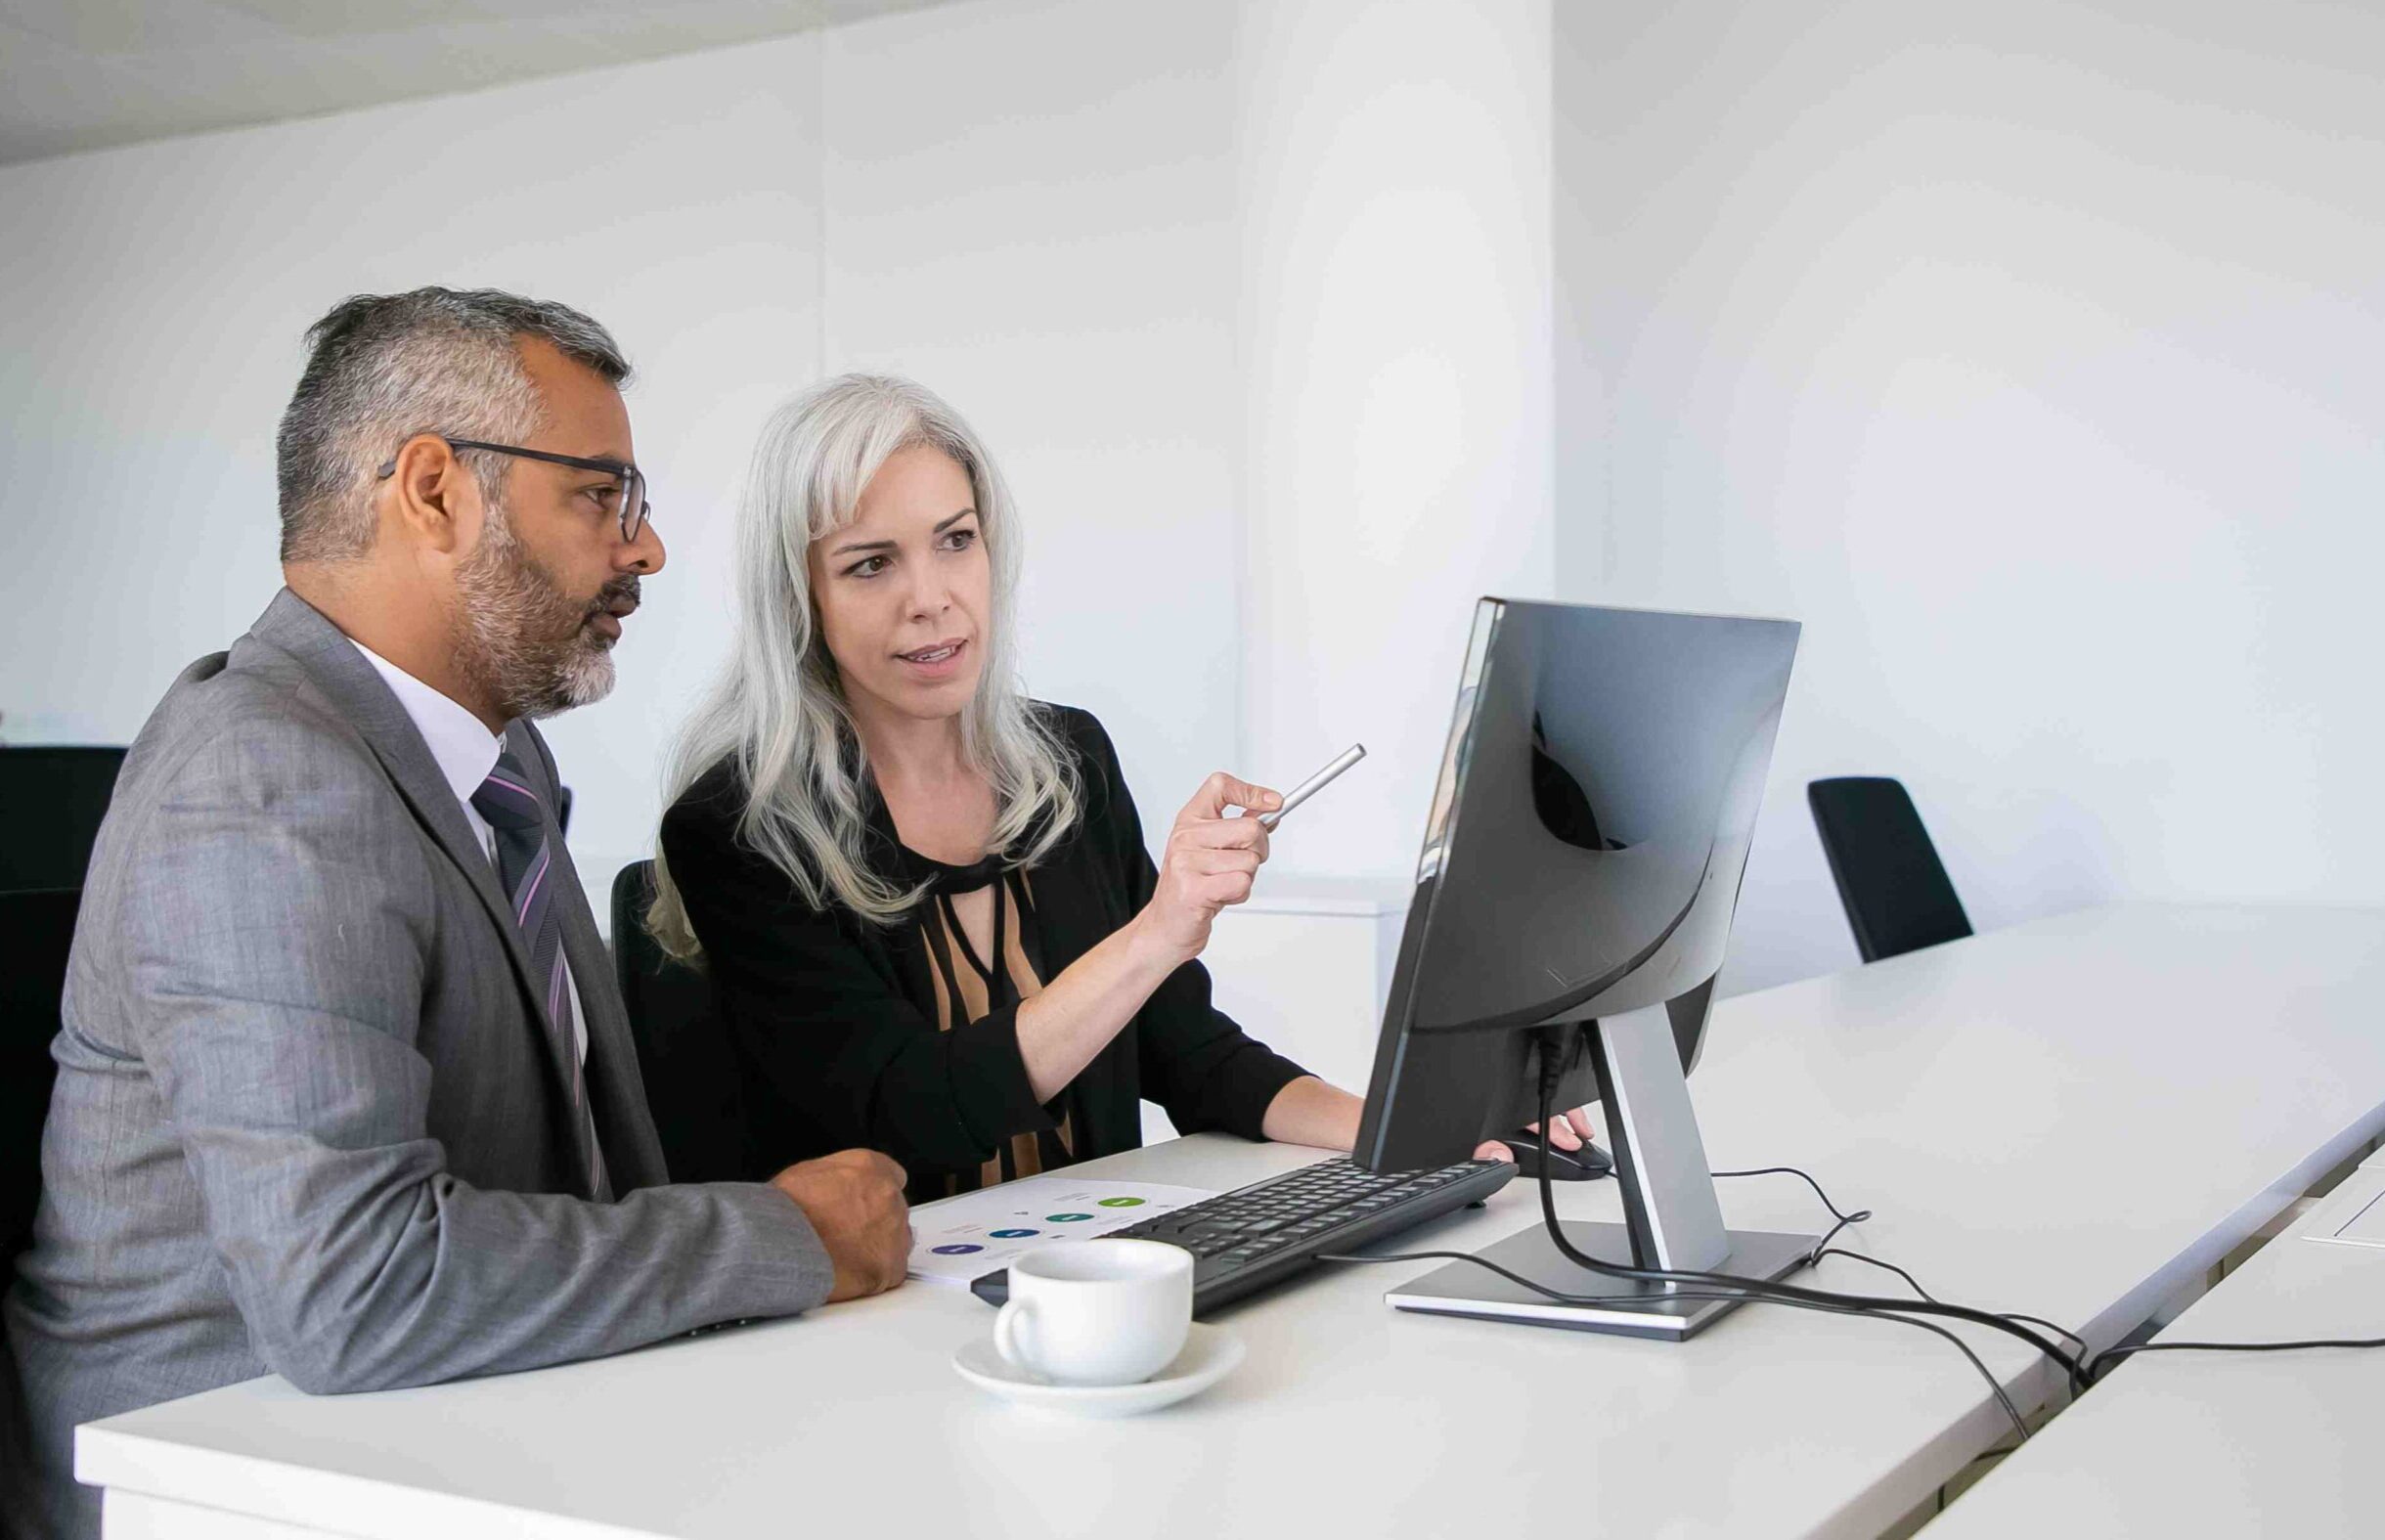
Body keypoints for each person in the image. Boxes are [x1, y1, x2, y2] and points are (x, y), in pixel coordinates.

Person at [2, 291, 910, 1540]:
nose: (645, 550)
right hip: (228, 1474)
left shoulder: (499, 760)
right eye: (603, 493)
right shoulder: (262, 779)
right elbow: (356, 1289)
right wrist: (780, 1237)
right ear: (433, 489)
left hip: (464, 1426)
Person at [649, 374, 1594, 1199]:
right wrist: (1157, 932)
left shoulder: (1065, 764)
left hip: (1084, 1270)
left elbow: (1188, 1055)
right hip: (881, 1321)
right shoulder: (735, 831)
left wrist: (1411, 1131)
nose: (930, 596)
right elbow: (910, 1111)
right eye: (869, 564)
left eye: (954, 540)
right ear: (798, 599)